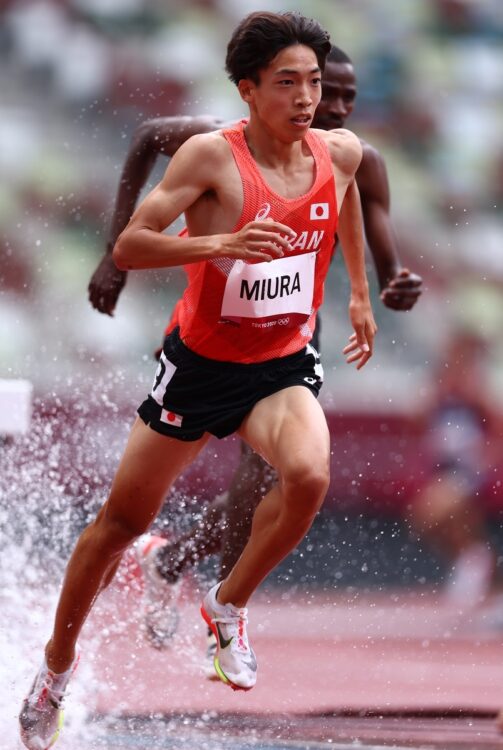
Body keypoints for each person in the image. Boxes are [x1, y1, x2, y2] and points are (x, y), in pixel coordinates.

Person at [20, 11, 377, 750]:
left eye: (313, 81)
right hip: (199, 369)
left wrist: (358, 295)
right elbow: (130, 244)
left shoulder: (338, 151)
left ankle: (226, 603)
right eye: (287, 83)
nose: (307, 97)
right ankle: (55, 668)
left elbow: (341, 209)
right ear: (247, 90)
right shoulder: (210, 158)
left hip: (279, 363)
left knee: (307, 477)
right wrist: (221, 241)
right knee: (119, 525)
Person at [86, 44, 423, 667]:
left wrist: (385, 280)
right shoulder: (219, 144)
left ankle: (210, 589)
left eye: (340, 94)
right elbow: (144, 139)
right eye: (324, 90)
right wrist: (114, 254)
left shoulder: (354, 154)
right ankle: (196, 578)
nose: (332, 107)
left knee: (277, 474)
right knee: (245, 480)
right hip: (215, 335)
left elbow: (360, 211)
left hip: (292, 331)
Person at [408, 330, 498, 606]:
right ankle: (479, 569)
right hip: (444, 469)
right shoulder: (442, 388)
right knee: (456, 525)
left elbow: (495, 428)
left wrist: (484, 459)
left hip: (468, 470)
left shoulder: (475, 391)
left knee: (429, 515)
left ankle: (474, 563)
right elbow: (417, 419)